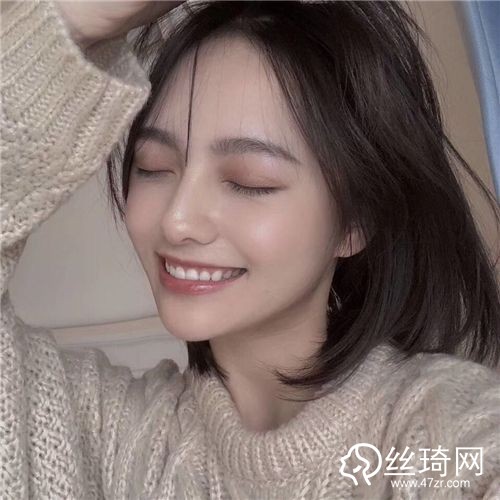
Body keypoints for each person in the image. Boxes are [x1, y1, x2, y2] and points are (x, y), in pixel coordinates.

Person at [1, 1, 499, 498]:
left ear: (354, 223)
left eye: (248, 181)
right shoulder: (98, 436)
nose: (177, 220)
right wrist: (71, 18)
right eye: (153, 167)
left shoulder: (438, 435)